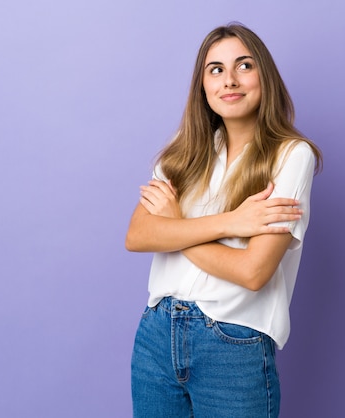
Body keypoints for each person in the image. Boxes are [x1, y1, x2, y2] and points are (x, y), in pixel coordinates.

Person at [125, 22, 322, 418]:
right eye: (215, 69)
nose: (229, 80)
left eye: (243, 66)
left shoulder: (291, 156)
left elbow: (252, 271)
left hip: (232, 342)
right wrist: (232, 222)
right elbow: (138, 235)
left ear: (264, 76)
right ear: (203, 85)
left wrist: (175, 227)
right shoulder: (183, 155)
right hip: (156, 336)